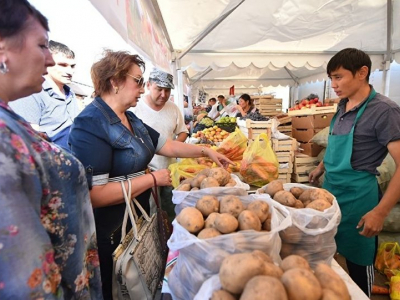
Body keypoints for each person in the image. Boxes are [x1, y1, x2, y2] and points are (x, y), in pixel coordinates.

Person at [68, 50, 232, 299]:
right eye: (138, 81)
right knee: (119, 287)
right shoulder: (90, 124)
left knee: (140, 285)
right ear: (115, 81)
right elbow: (95, 195)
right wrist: (152, 179)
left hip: (138, 219)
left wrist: (206, 151)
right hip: (112, 233)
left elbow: (167, 145)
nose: (143, 88)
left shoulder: (130, 118)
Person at [0, 0, 102, 298]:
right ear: (3, 48)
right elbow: (22, 275)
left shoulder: (11, 121)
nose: (48, 59)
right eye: (42, 45)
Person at [308, 48, 400, 296]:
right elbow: (336, 142)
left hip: (359, 198)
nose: (333, 85)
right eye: (331, 78)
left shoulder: (384, 111)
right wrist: (321, 167)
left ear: (362, 73)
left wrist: (380, 212)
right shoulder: (343, 105)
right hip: (331, 193)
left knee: (359, 261)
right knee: (327, 255)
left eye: (338, 77)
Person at [133, 68, 189, 220]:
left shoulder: (173, 108)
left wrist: (172, 147)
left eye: (167, 90)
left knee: (170, 211)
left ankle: (169, 240)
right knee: (150, 215)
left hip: (170, 171)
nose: (164, 95)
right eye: (159, 89)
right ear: (148, 85)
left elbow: (183, 131)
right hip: (145, 173)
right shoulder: (135, 108)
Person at [9, 40, 79, 151]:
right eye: (63, 65)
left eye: (72, 66)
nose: (70, 71)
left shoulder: (71, 94)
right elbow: (29, 140)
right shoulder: (31, 93)